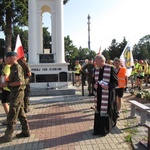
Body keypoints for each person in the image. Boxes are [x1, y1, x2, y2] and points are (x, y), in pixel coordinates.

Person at [0, 52, 30, 143]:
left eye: (7, 58)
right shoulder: (13, 67)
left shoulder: (16, 67)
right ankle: (26, 131)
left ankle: (8, 135)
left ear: (13, 58)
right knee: (20, 113)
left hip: (17, 93)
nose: (5, 59)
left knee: (12, 114)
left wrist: (7, 84)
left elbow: (19, 82)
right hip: (15, 93)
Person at [93, 55, 118, 136]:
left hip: (108, 94)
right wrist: (95, 85)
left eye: (96, 61)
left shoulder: (110, 68)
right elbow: (95, 81)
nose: (95, 62)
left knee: (106, 111)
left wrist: (108, 86)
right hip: (99, 94)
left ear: (101, 61)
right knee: (98, 111)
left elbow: (115, 83)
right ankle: (97, 129)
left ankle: (105, 129)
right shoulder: (96, 69)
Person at [0, 58, 11, 125]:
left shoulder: (7, 67)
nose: (4, 60)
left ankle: (9, 119)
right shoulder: (11, 66)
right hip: (8, 87)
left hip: (6, 88)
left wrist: (2, 83)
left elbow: (5, 77)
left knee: (4, 102)